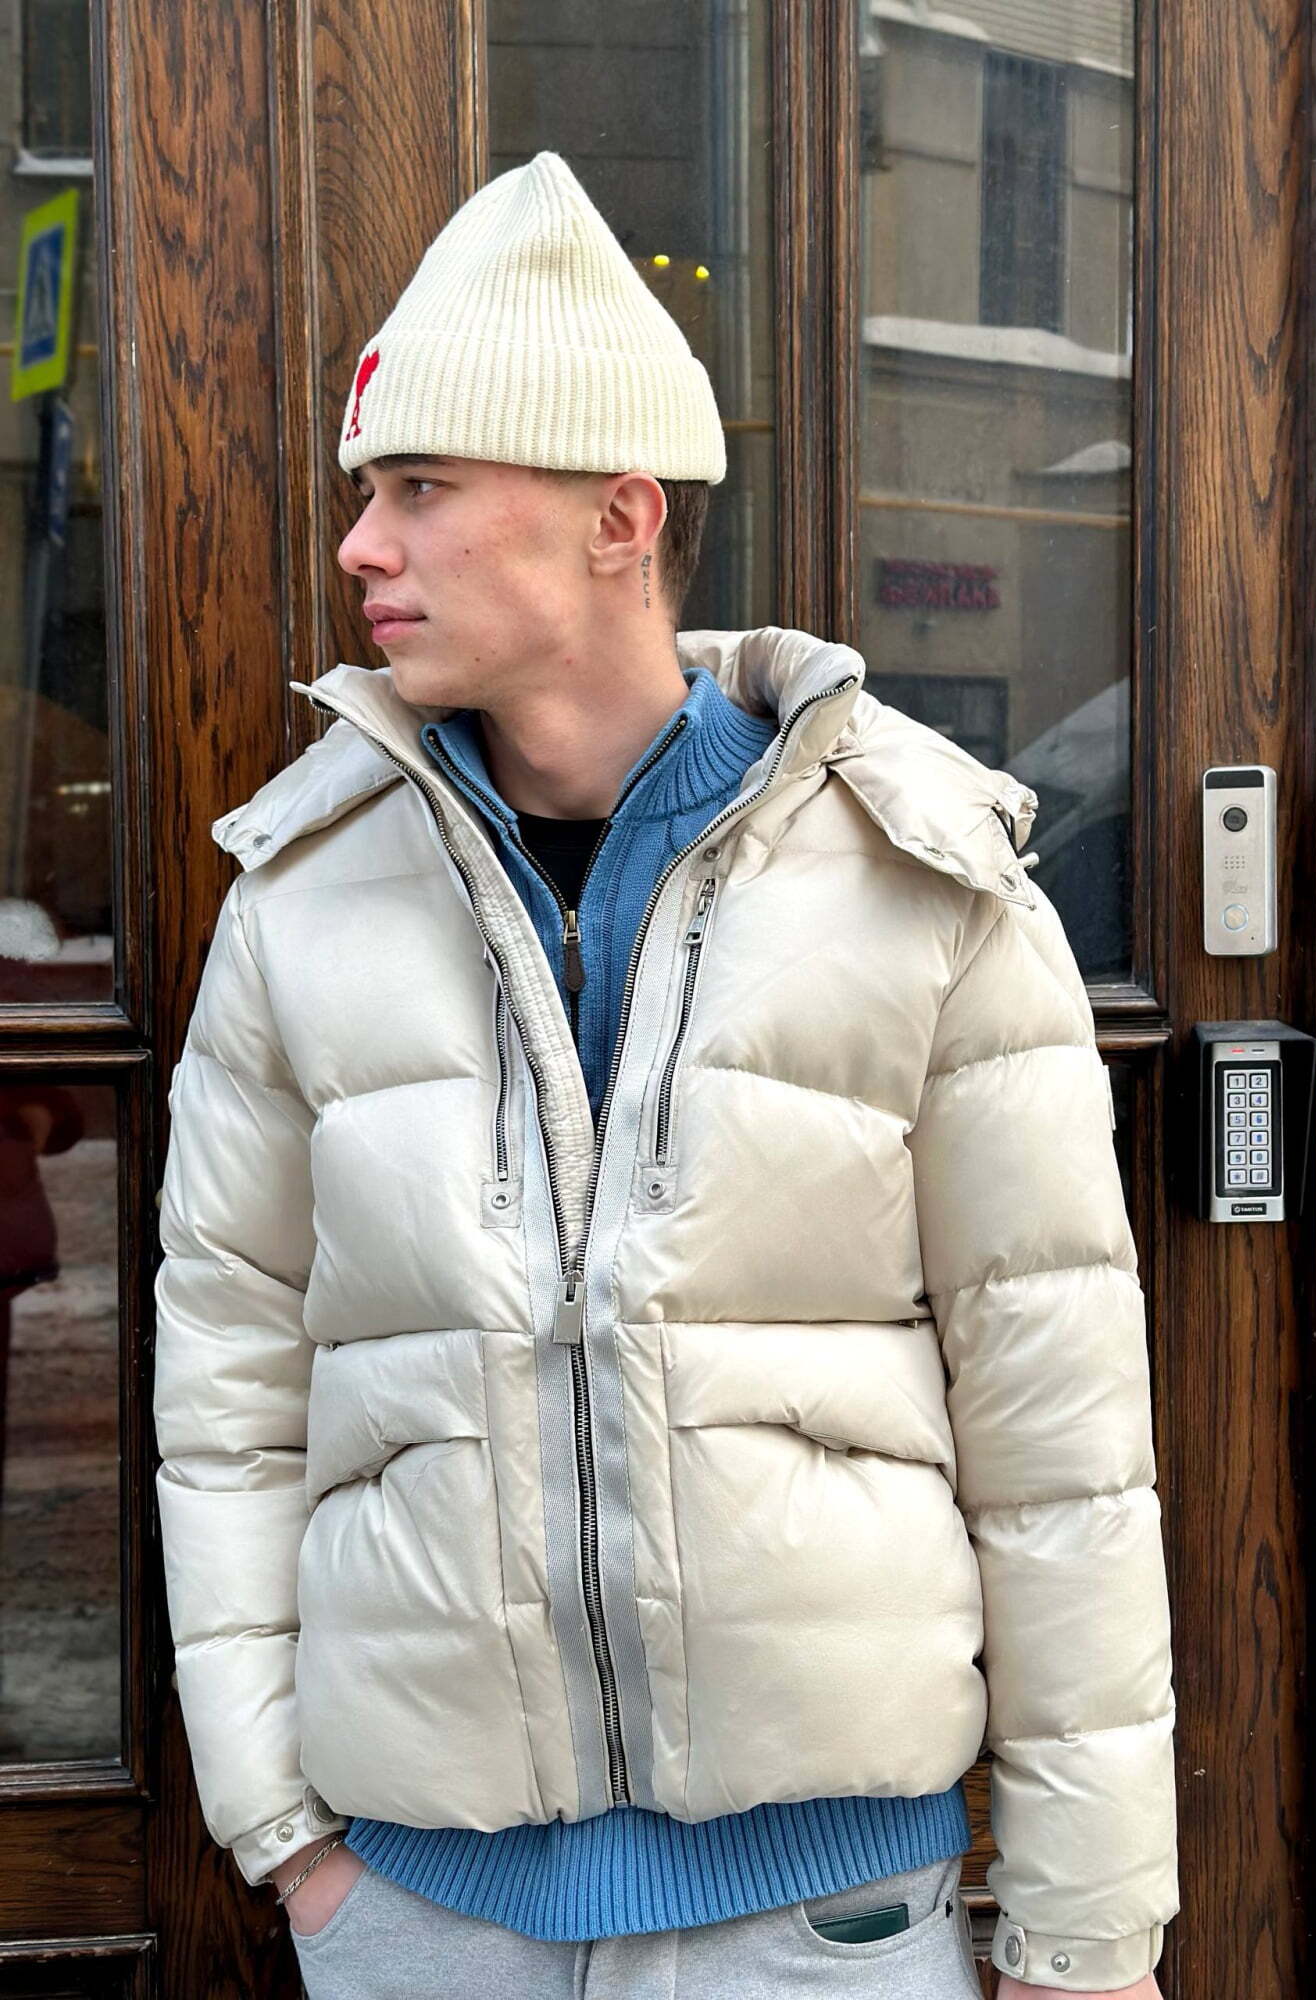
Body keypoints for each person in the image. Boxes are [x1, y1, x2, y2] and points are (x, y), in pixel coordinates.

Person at [151, 150, 1179, 1997]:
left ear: (619, 517)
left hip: (819, 1915)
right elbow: (228, 1391)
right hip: (422, 1912)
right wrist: (287, 1838)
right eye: (368, 493)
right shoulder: (302, 895)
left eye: (420, 488)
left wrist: (1085, 1935)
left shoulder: (924, 878)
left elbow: (1062, 1448)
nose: (361, 546)